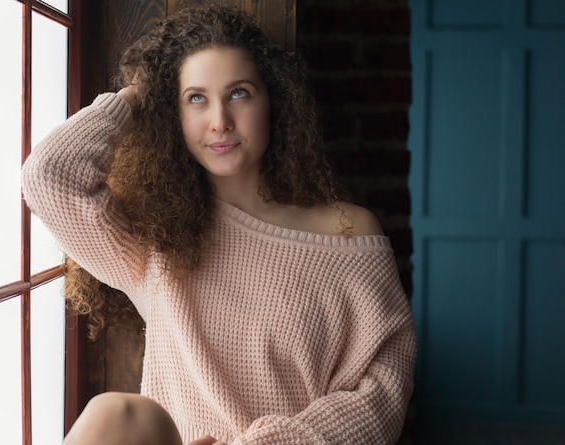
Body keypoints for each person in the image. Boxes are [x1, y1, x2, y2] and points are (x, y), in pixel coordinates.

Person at [22, 4, 417, 445]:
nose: (220, 122)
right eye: (196, 98)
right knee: (115, 413)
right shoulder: (156, 244)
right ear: (173, 115)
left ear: (273, 100)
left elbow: (382, 394)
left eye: (239, 93)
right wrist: (141, 95)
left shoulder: (349, 230)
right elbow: (50, 175)